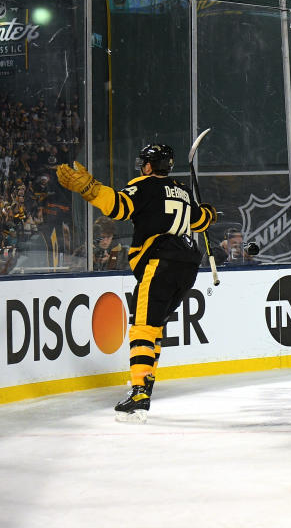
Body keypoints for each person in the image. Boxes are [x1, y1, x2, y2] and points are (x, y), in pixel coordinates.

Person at [56, 144, 216, 421]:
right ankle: (147, 381)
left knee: (142, 326)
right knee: (154, 327)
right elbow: (202, 220)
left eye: (145, 163)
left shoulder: (144, 186)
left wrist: (90, 188)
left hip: (160, 262)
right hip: (187, 266)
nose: (142, 167)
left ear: (151, 166)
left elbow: (117, 207)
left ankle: (140, 390)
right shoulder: (182, 191)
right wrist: (209, 210)